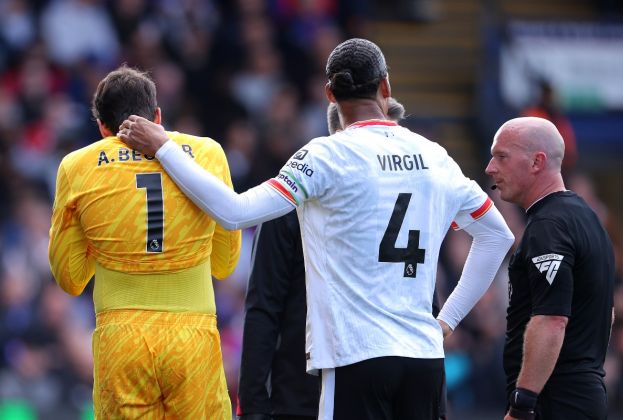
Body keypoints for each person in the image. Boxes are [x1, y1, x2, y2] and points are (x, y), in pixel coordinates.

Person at [119, 38, 514, 420]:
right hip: (424, 361)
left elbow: (234, 212)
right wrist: (445, 321)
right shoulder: (435, 156)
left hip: (356, 357)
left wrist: (164, 146)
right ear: (385, 86)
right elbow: (498, 237)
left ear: (329, 94)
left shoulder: (327, 155)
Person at [237, 98, 454, 420]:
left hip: (360, 384)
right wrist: (253, 404)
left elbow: (426, 299)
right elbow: (264, 306)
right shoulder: (291, 200)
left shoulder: (408, 200)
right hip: (312, 393)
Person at [48, 66, 241, 419]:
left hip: (121, 339)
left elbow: (69, 278)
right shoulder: (208, 154)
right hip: (192, 336)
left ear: (103, 128)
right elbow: (225, 264)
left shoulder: (76, 167)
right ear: (157, 116)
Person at [485, 117, 615, 420]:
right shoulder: (589, 219)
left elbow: (552, 319)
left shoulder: (549, 226)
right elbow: (605, 313)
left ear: (536, 162)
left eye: (501, 156)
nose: (490, 168)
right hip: (583, 395)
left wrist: (523, 405)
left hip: (554, 401)